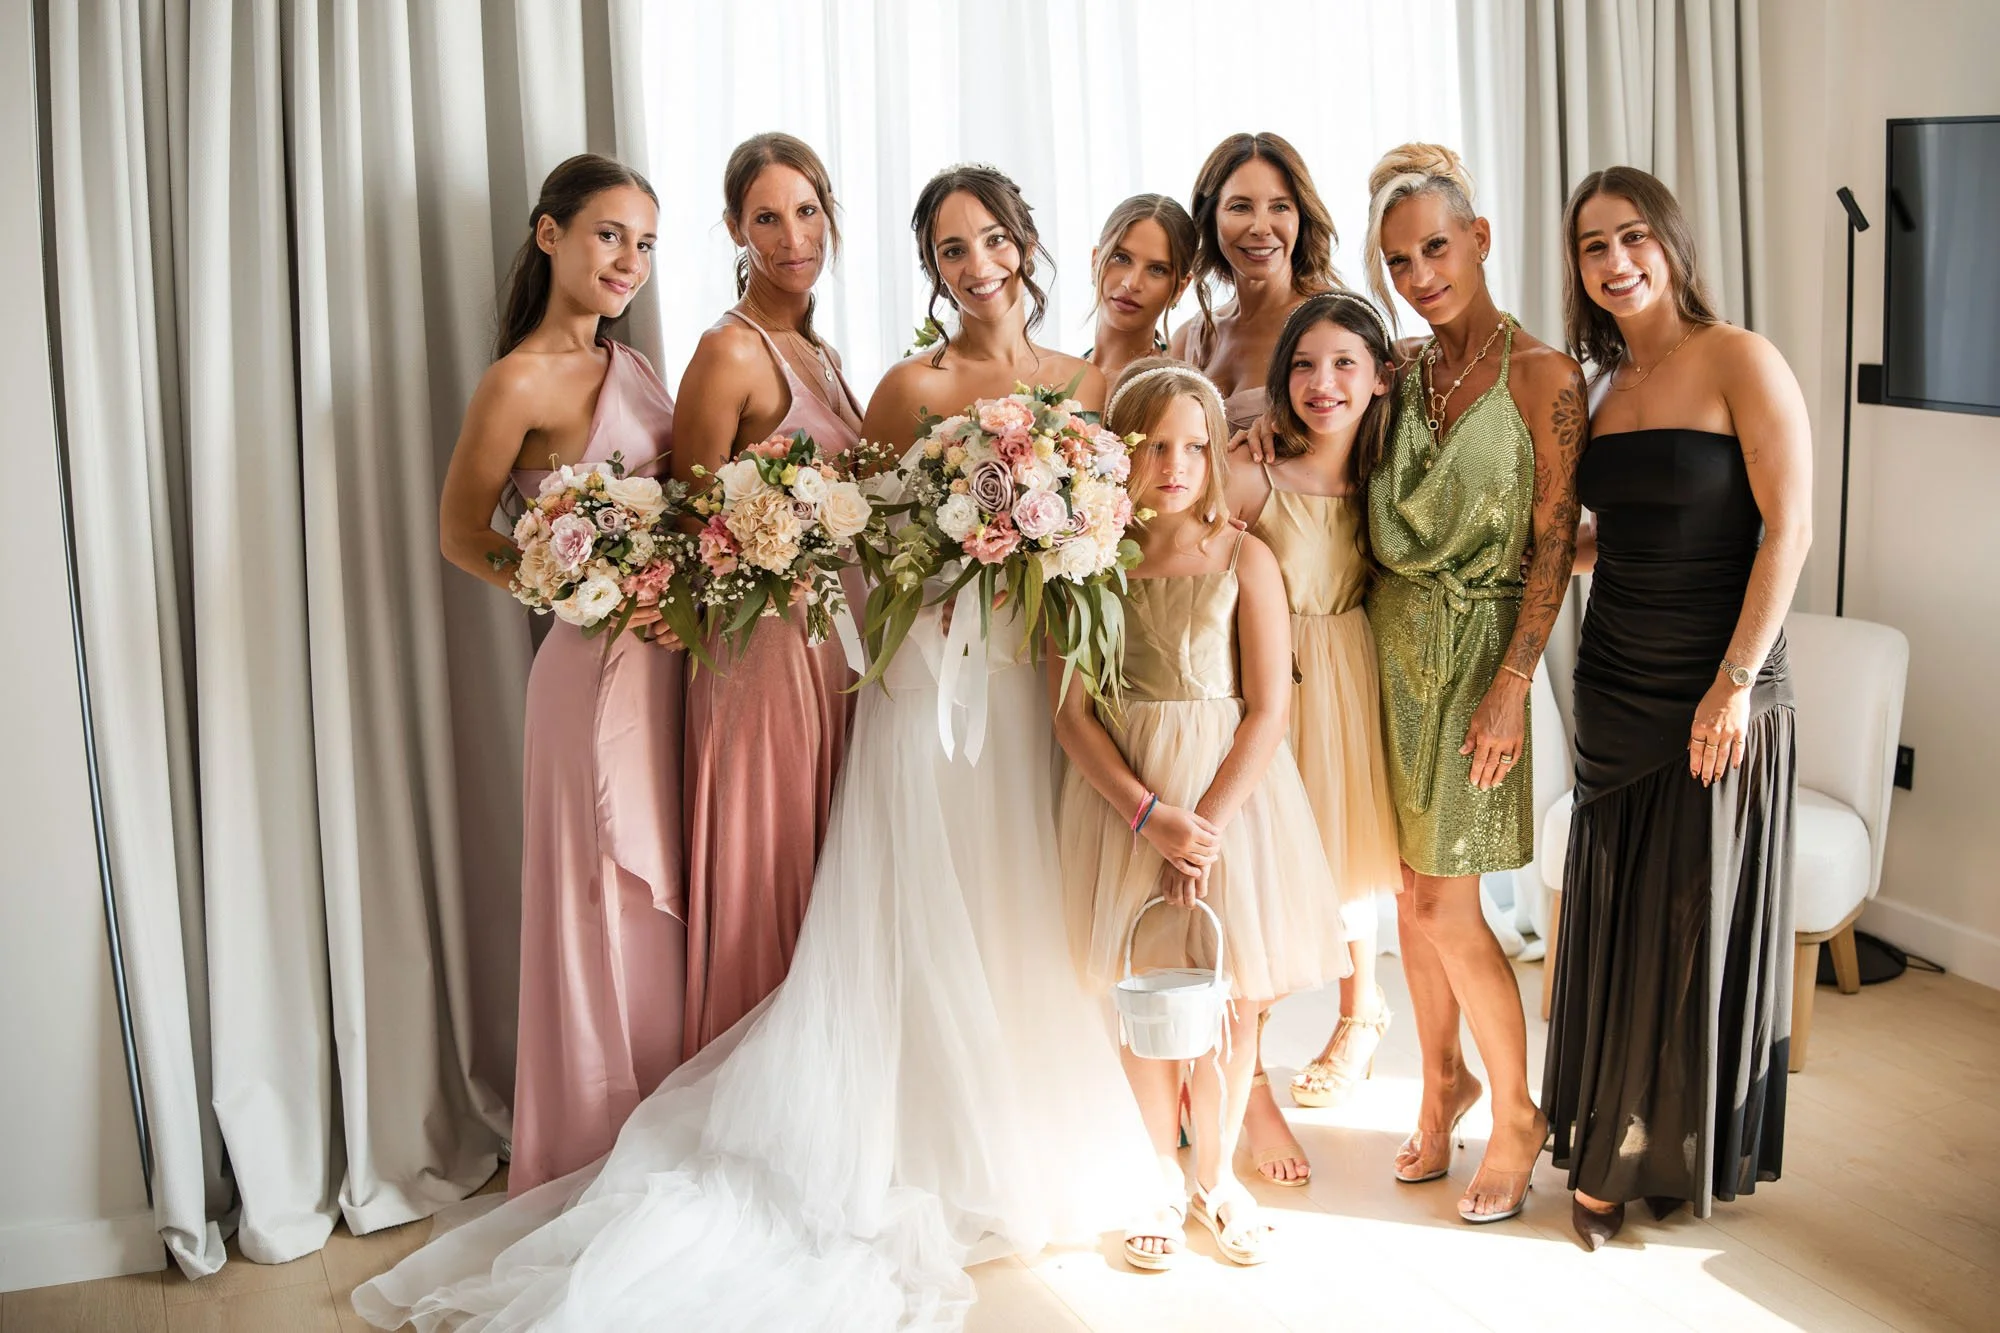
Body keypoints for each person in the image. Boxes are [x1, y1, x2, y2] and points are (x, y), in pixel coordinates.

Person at [353, 162, 1170, 1332]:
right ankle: (658, 1134)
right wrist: (574, 579)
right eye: (949, 248)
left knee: (968, 904)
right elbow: (733, 523)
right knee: (759, 898)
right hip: (805, 663)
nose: (974, 263)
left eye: (990, 240)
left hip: (943, 672)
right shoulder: (861, 376)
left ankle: (1004, 1110)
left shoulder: (1020, 377)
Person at [1545, 165, 1809, 1249]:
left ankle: (1645, 1152)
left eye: (1630, 237)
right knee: (1618, 920)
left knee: (1687, 923)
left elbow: (1784, 529)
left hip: (1719, 682)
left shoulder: (1738, 358)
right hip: (1612, 679)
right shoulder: (1597, 389)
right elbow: (1622, 529)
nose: (1614, 261)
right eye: (1591, 246)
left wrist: (1733, 681)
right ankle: (1617, 1130)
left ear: (1668, 242)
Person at [1057, 357, 1349, 1267]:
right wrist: (1153, 819)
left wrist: (1206, 824)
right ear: (1121, 454)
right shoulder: (1091, 559)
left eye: (1193, 446)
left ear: (1216, 453)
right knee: (1146, 993)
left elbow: (1268, 707)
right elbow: (1071, 714)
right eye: (1153, 447)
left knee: (1232, 995)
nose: (1174, 464)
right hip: (1128, 798)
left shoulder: (1242, 555)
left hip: (1234, 796)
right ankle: (1155, 1171)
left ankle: (1215, 1175)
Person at [434, 153, 685, 1195]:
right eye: (608, 235)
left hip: (670, 669)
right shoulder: (518, 381)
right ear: (550, 235)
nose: (628, 260)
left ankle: (672, 1129)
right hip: (585, 677)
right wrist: (574, 589)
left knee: (663, 893)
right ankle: (589, 1150)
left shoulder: (638, 370)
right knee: (597, 898)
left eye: (645, 243)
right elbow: (459, 532)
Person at [1361, 142, 1584, 1223]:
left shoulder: (1543, 375)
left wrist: (1511, 683)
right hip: (1386, 649)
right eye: (1398, 261)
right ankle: (1436, 1082)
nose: (1418, 274)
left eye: (1434, 248)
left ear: (1479, 237)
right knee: (1410, 898)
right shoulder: (1399, 371)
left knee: (1451, 904)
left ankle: (1514, 1113)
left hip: (1479, 654)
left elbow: (1550, 545)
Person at [672, 133, 862, 1057]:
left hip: (836, 644)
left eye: (808, 211)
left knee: (829, 858)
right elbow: (692, 518)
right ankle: (749, 1078)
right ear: (735, 230)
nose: (793, 236)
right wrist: (777, 539)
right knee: (772, 860)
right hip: (767, 651)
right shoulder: (730, 351)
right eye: (767, 217)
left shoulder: (815, 347)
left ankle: (820, 1073)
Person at [1225, 293, 1404, 1114]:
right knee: (1263, 857)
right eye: (1302, 363)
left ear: (1379, 379)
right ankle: (1241, 1055)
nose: (1321, 381)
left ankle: (1360, 1012)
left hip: (1349, 671)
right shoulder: (1254, 472)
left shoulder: (1394, 477)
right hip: (1269, 678)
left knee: (1345, 848)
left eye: (1343, 364)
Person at [1083, 193, 1196, 385]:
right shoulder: (1058, 376)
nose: (1132, 283)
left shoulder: (1172, 391)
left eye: (1157, 269)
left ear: (1180, 288)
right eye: (1121, 258)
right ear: (1095, 261)